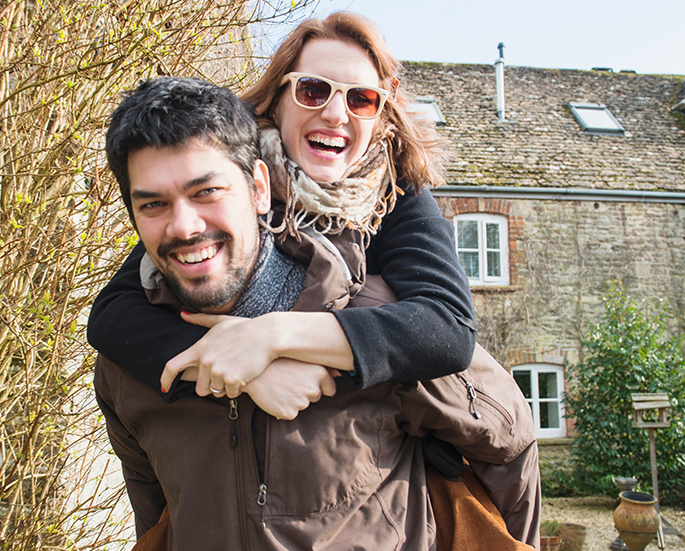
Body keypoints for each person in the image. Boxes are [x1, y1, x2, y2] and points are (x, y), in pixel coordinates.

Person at [94, 76, 536, 550]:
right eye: (154, 204)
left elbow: (509, 444)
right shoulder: (129, 365)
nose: (184, 226)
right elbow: (157, 516)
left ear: (260, 189)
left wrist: (280, 338)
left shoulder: (385, 321)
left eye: (207, 192)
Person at [88, 12, 474, 413]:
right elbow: (113, 315)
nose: (336, 114)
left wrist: (271, 337)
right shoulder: (227, 179)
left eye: (361, 98)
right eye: (312, 90)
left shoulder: (398, 193)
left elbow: (447, 328)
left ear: (381, 110)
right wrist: (244, 369)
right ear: (278, 97)